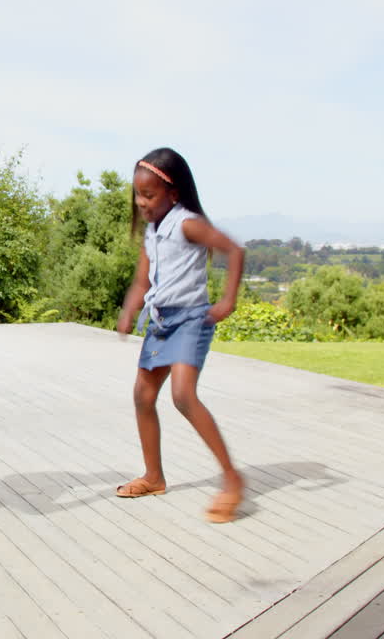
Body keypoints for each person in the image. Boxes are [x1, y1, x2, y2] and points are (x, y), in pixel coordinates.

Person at [114, 148, 247, 523]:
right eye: (138, 195)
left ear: (173, 193)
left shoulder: (187, 224)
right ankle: (154, 477)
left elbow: (234, 251)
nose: (141, 203)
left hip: (191, 320)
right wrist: (129, 309)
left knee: (183, 396)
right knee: (142, 395)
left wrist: (228, 299)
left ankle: (233, 480)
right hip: (161, 322)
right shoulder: (153, 233)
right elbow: (143, 280)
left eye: (149, 195)